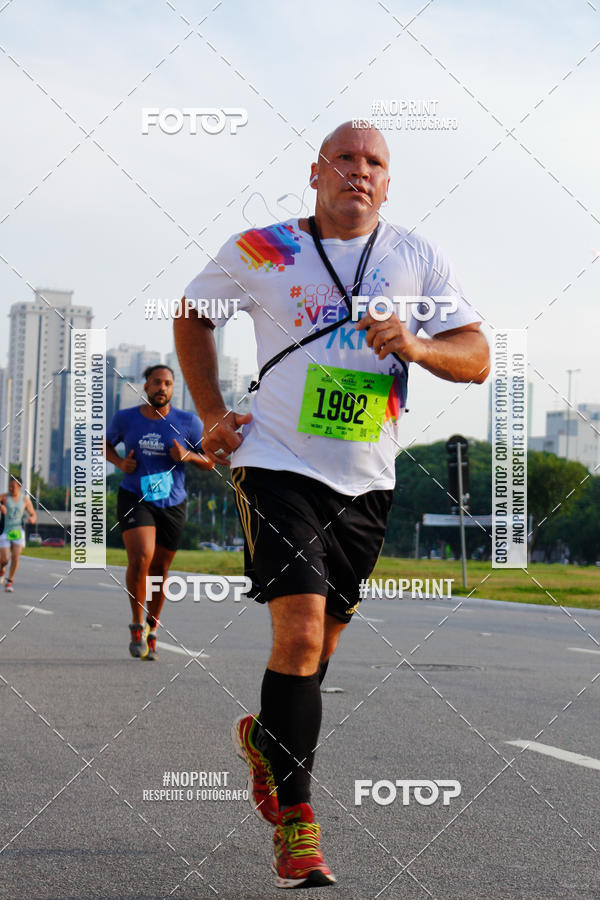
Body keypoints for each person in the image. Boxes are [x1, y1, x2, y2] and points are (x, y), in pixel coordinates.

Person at [175, 121, 490, 889]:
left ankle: (266, 740)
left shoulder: (416, 256)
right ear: (315, 173)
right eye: (344, 159)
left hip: (367, 481)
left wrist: (417, 346)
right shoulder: (264, 249)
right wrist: (212, 413)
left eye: (373, 161)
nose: (359, 170)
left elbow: (477, 356)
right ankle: (298, 826)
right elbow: (191, 314)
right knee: (302, 630)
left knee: (317, 657)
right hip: (276, 464)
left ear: (388, 181)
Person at [104, 364, 212, 660]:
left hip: (172, 502)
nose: (162, 388)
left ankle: (152, 626)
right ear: (146, 386)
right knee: (141, 557)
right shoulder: (126, 418)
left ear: (172, 389)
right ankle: (136, 623)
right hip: (135, 496)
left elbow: (210, 461)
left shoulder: (188, 422)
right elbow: (104, 444)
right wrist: (119, 463)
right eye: (156, 382)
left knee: (160, 570)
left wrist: (188, 455)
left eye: (167, 383)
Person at [0, 476, 37, 593]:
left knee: (16, 556)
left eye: (13, 487)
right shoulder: (4, 497)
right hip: (5, 531)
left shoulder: (25, 500)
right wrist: (0, 506)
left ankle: (9, 581)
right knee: (5, 559)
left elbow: (33, 514)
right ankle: (2, 569)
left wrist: (32, 519)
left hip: (17, 531)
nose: (11, 489)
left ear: (20, 487)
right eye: (10, 486)